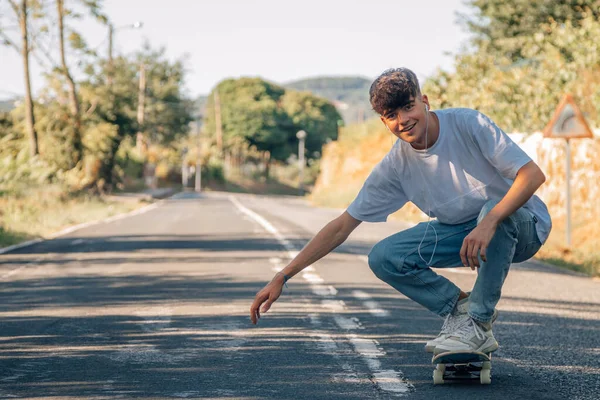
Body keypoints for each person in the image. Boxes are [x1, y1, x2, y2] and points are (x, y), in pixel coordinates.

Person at [249, 67, 551, 355]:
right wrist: (283, 276)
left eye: (408, 107)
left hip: (522, 227)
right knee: (384, 257)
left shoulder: (468, 124)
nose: (403, 120)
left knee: (490, 212)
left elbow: (532, 175)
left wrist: (491, 221)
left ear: (424, 101)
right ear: (383, 122)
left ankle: (478, 322)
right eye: (391, 115)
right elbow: (342, 226)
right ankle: (460, 310)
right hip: (462, 234)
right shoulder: (396, 166)